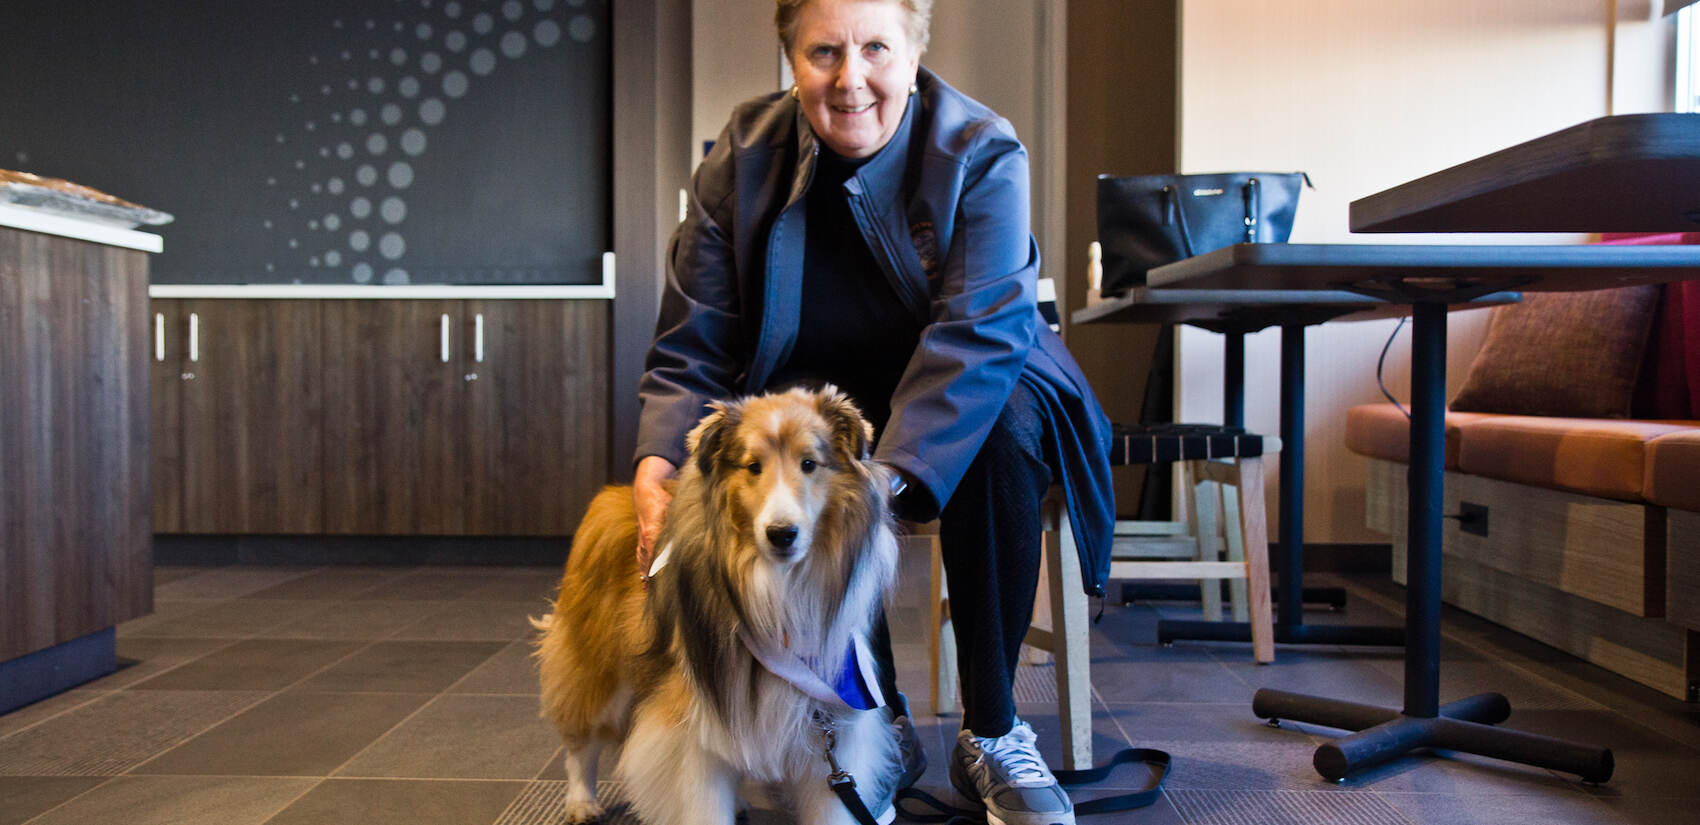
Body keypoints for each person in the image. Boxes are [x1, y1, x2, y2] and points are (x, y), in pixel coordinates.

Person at [632, 1, 1114, 823]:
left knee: (996, 433)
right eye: (823, 51)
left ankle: (992, 732)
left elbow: (978, 336)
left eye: (875, 49)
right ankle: (874, 717)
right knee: (803, 460)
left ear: (915, 51)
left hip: (985, 379)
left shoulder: (983, 149)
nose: (849, 79)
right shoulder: (738, 157)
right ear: (789, 55)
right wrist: (657, 458)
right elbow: (694, 337)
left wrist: (883, 479)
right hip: (821, 396)